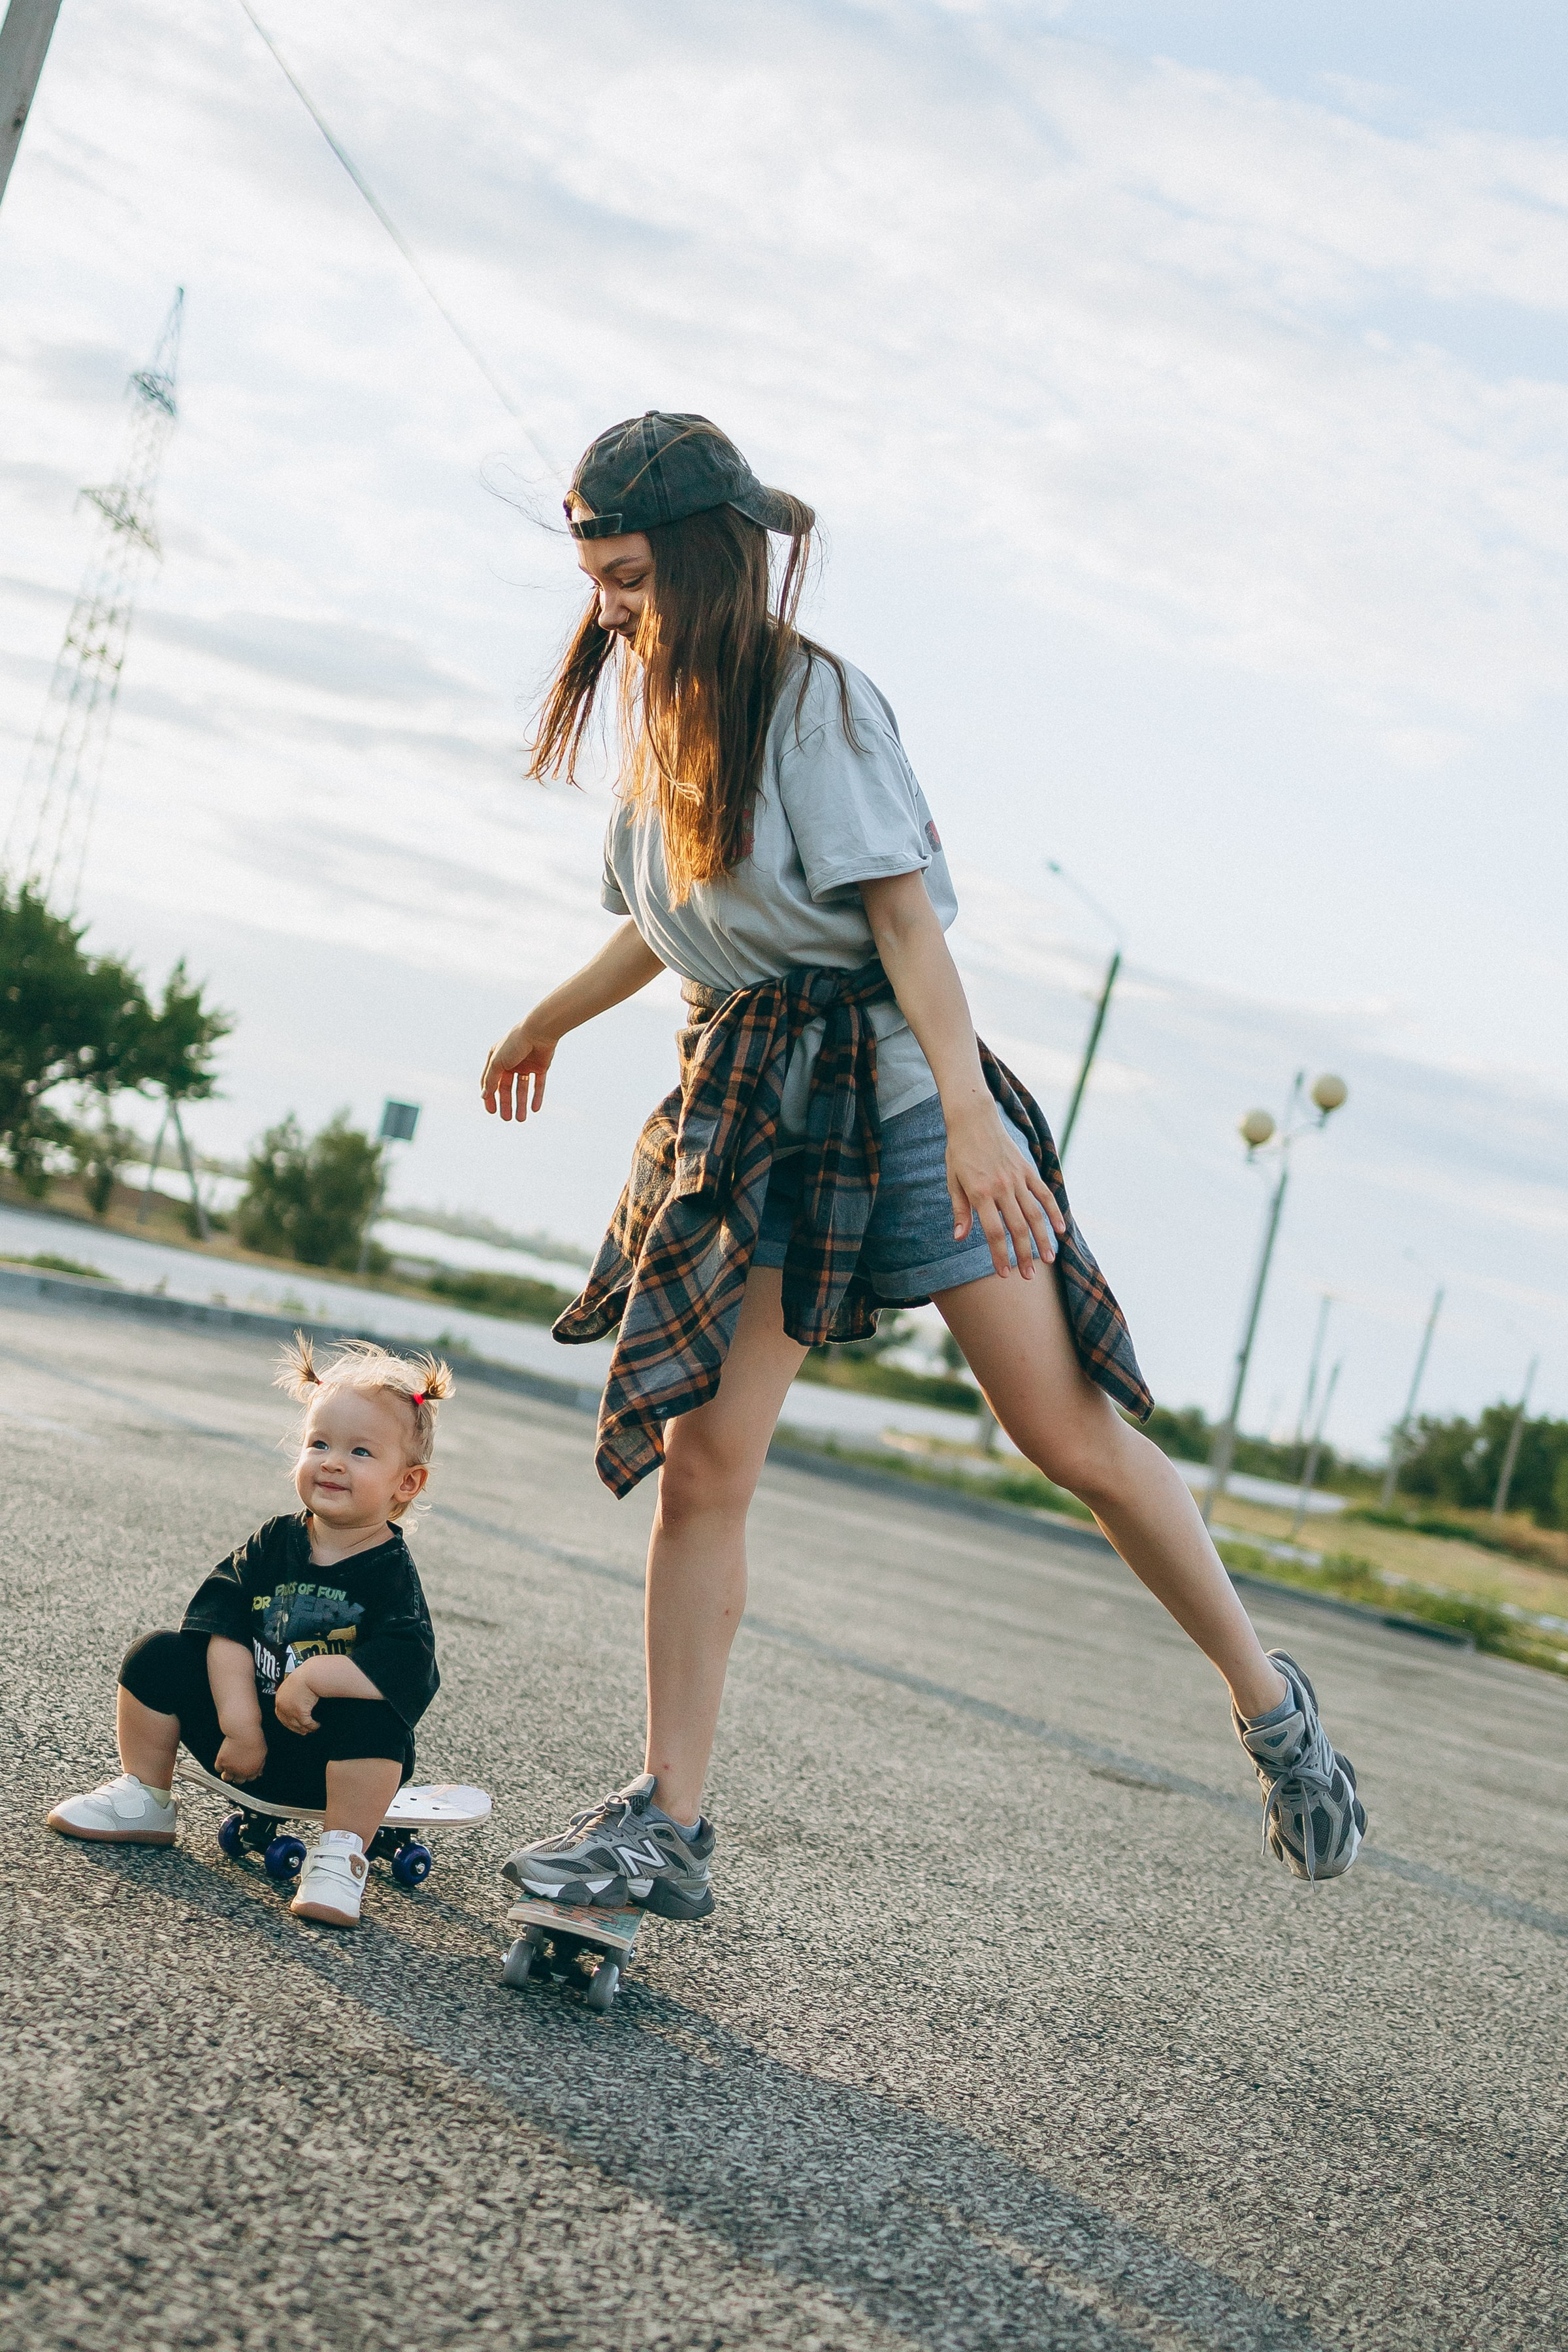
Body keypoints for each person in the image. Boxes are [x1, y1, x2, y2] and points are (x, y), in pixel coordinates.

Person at [482, 410, 1364, 1921]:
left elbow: (901, 924)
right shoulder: (655, 706)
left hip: (890, 1099)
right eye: (595, 581)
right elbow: (669, 921)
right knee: (705, 1467)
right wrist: (546, 1018)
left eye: (629, 578)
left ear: (704, 561)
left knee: (1065, 1436)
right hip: (749, 1112)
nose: (608, 609)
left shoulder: (814, 702)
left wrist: (968, 1121)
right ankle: (667, 1820)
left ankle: (1272, 1709)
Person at [46, 1337, 449, 1929]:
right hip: (243, 1746)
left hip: (332, 1765)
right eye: (319, 1444)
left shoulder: (389, 1572)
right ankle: (146, 1796)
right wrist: (241, 1727)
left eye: (360, 1451)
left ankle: (341, 1856)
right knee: (159, 1654)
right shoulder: (274, 1542)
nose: (332, 1462)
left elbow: (409, 1666)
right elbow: (224, 1627)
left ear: (407, 1483)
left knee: (379, 1717)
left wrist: (316, 1676)